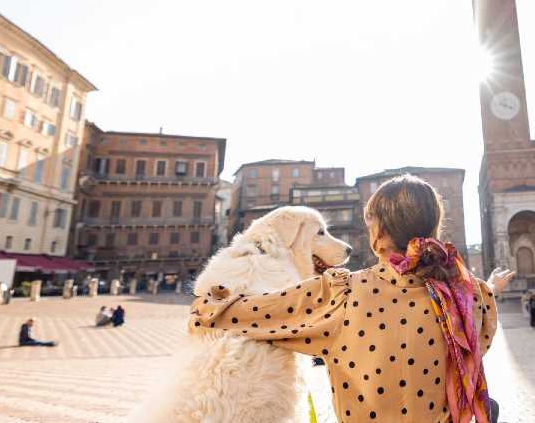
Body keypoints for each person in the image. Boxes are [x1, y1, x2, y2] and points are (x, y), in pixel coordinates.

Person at [189, 174, 513, 423]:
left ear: (378, 235)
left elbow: (254, 315)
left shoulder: (343, 295)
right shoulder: (472, 297)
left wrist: (209, 306)